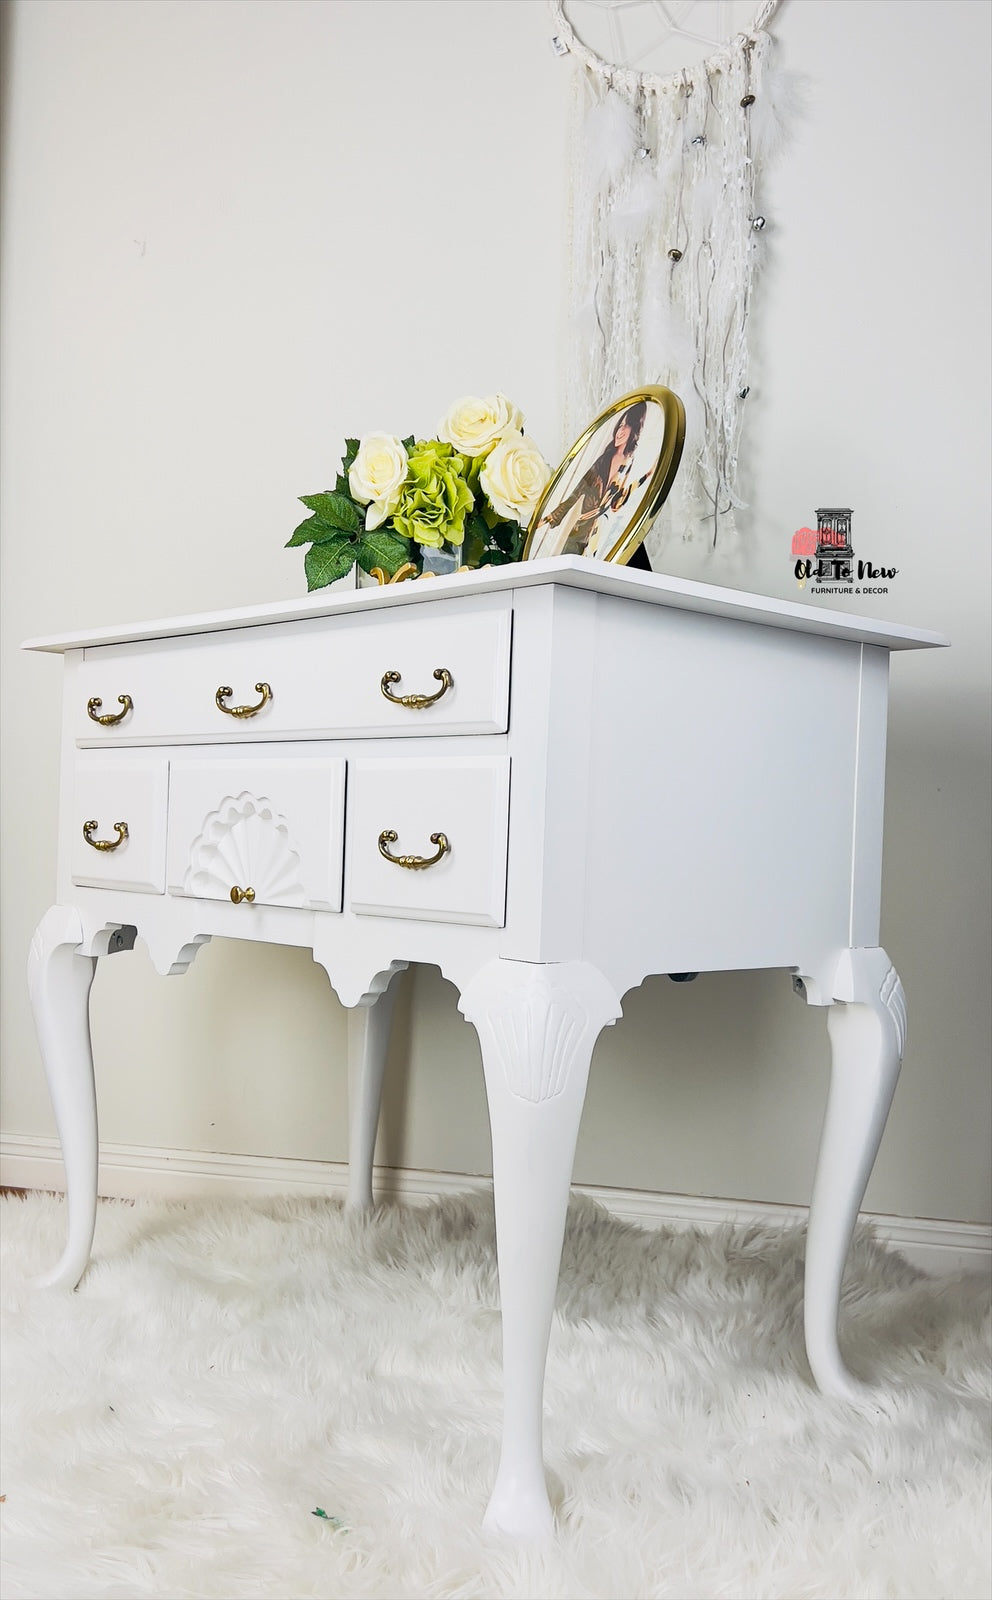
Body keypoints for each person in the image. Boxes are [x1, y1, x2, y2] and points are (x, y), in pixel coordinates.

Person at [531, 401, 649, 559]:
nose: (619, 431)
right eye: (619, 425)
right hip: (578, 535)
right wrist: (549, 518)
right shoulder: (603, 460)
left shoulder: (629, 464)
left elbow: (618, 505)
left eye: (625, 426)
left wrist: (647, 475)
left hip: (603, 542)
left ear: (634, 429)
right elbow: (576, 493)